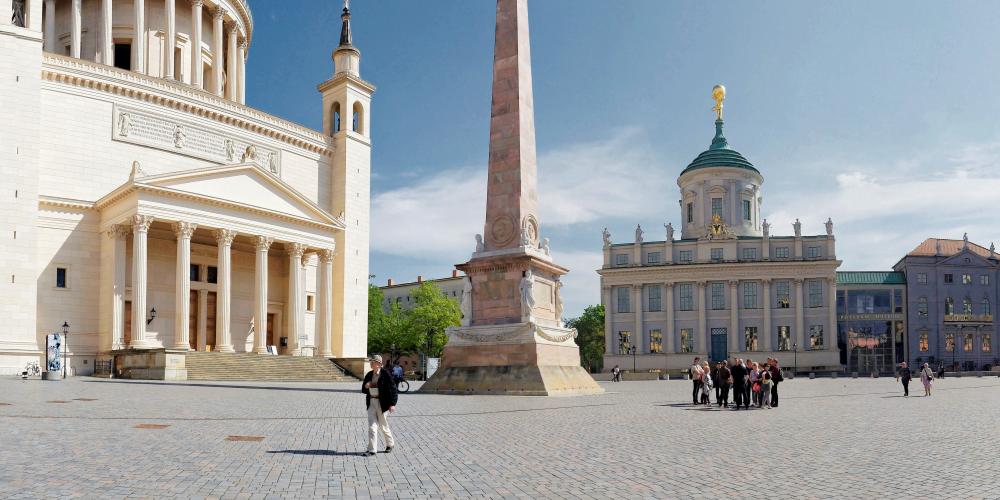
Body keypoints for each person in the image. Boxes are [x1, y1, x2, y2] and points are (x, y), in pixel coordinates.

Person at [362, 355, 397, 456]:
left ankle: (390, 444)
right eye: (371, 362)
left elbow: (393, 389)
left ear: (378, 364)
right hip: (371, 402)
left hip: (382, 403)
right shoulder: (369, 374)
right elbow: (364, 389)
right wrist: (366, 385)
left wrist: (392, 404)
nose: (371, 363)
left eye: (373, 362)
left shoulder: (386, 374)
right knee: (372, 427)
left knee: (383, 426)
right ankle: (372, 449)